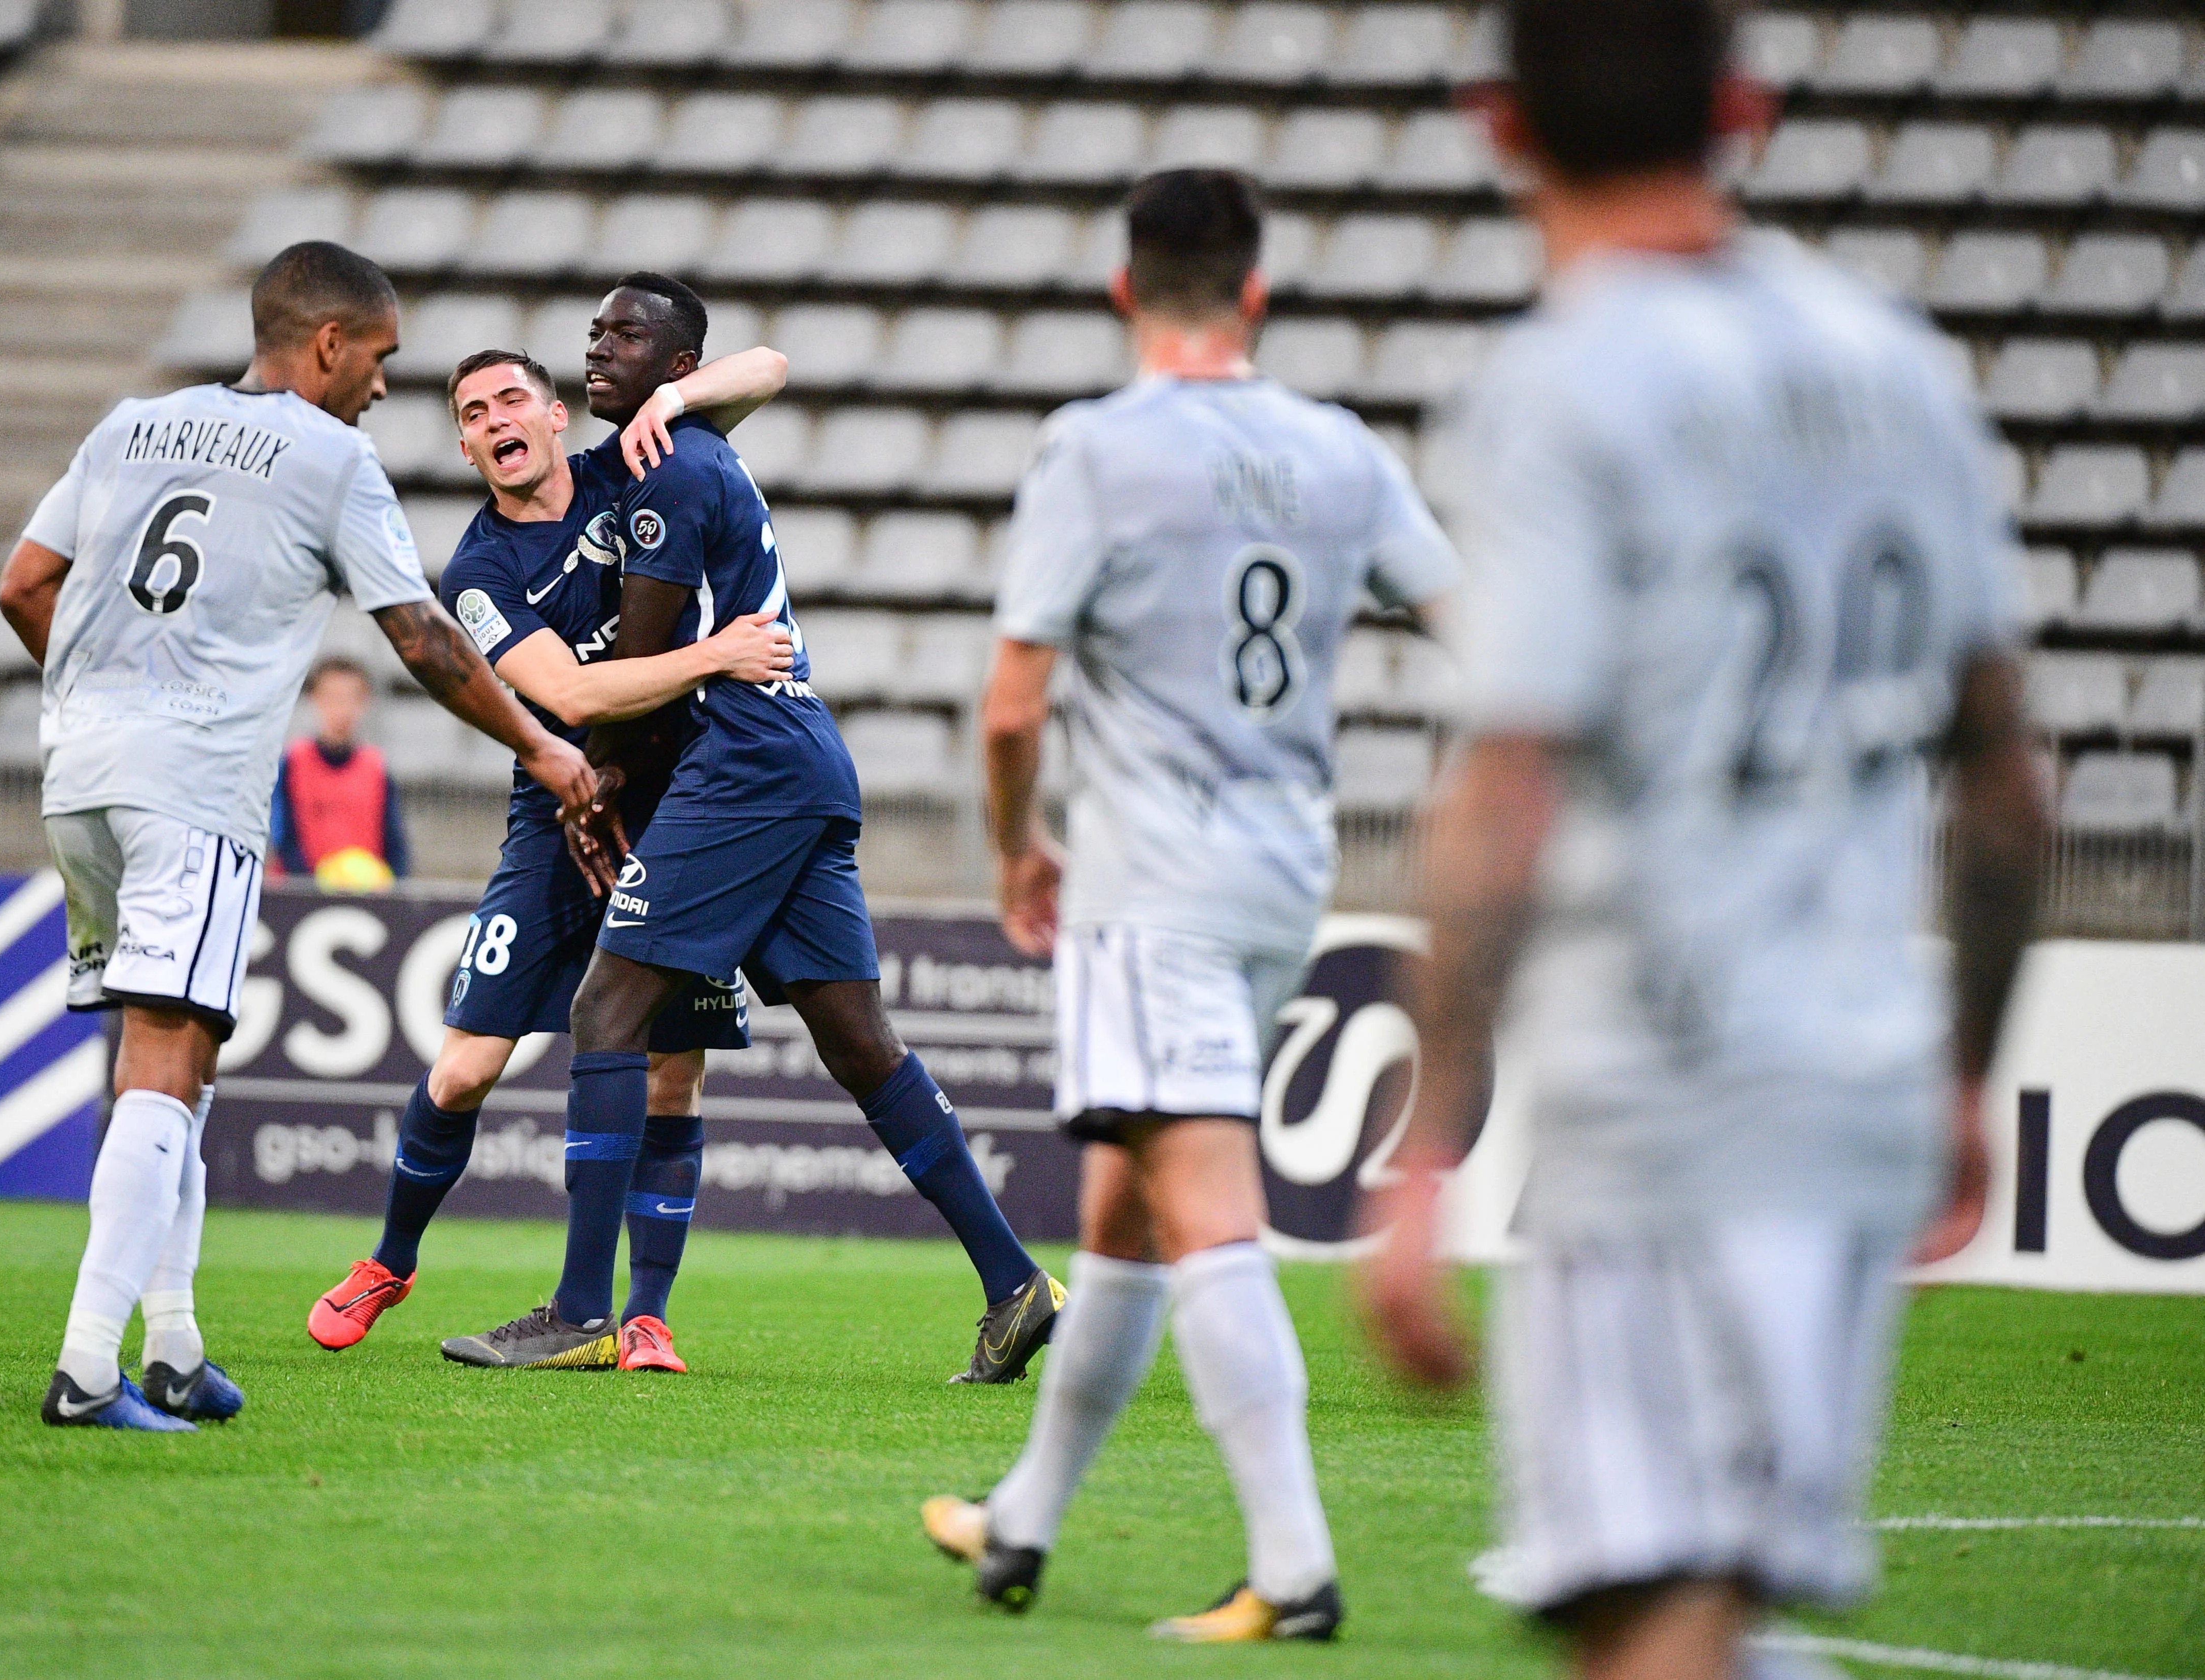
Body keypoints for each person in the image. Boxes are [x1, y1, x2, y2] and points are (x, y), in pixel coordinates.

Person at [1360, 5, 2047, 1680]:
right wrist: (1966, 1073)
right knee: (1685, 1596)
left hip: (1665, 1078)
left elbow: (1510, 783)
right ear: (1746, 107)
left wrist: (1429, 1140)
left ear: (1498, 125)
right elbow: (2012, 775)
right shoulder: (1900, 362)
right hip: (1857, 1066)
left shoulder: (1563, 384)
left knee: (1654, 1594)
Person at [918, 168, 1459, 1641]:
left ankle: (1292, 1569)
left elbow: (1013, 697)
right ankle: (1019, 1519)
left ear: (1121, 292)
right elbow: (1468, 613)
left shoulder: (1094, 448)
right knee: (1127, 1211)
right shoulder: (1340, 450)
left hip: (1148, 879)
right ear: (1256, 294)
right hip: (1285, 871)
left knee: (1204, 1206)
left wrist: (1017, 845)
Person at [0, 240, 599, 1431]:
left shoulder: (132, 422)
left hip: (82, 776)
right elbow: (423, 639)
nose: (382, 387)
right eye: (377, 360)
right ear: (329, 344)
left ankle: (171, 1344)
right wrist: (543, 747)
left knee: (186, 1058)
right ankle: (86, 1369)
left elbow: (24, 584)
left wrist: (102, 707)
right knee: (163, 1066)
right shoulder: (331, 456)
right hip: (195, 784)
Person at [506, 272, 1065, 1385]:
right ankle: (1015, 1284)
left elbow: (644, 668)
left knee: (607, 1005)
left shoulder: (670, 470)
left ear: (675, 368)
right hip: (803, 753)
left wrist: (595, 767)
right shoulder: (687, 448)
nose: (597, 346)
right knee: (859, 1041)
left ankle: (579, 1309)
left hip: (746, 755)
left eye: (627, 335)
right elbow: (760, 369)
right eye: (593, 330)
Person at [307, 311, 796, 1376]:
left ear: (554, 413)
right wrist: (715, 652)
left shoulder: (633, 466)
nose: (493, 421)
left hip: (674, 809)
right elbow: (568, 692)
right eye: (471, 415)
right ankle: (391, 1256)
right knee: (463, 1070)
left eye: (510, 400)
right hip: (559, 813)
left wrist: (672, 397)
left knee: (675, 1072)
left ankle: (647, 1313)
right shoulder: (478, 572)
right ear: (470, 449)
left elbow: (769, 366)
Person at [267, 655, 410, 890]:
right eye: (333, 698)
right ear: (315, 699)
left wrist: (394, 888)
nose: (342, 709)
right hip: (300, 893)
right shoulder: (293, 762)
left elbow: (394, 841)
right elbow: (283, 836)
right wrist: (312, 883)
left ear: (365, 702)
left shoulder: (376, 767)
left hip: (365, 895)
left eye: (351, 698)